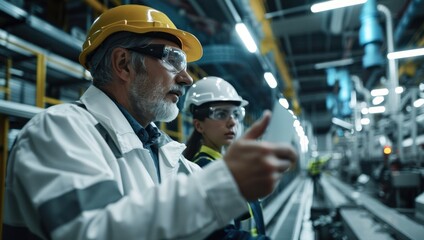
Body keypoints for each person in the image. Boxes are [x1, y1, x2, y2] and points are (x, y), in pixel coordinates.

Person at [2, 4, 297, 240]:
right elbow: (91, 231)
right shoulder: (58, 132)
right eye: (173, 60)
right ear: (123, 64)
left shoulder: (172, 156)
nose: (186, 78)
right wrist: (225, 185)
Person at [183, 76, 268, 239]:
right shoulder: (202, 169)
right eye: (221, 114)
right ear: (198, 125)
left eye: (236, 114)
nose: (232, 122)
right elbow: (217, 235)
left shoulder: (226, 165)